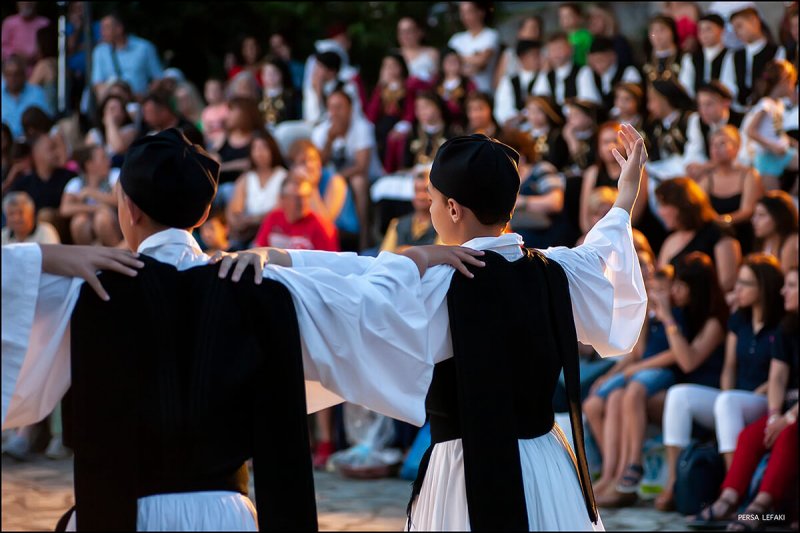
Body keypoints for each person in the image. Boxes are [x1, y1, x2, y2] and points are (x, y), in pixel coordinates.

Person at [2, 128, 488, 530]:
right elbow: (362, 299)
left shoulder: (82, 290)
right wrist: (411, 260)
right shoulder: (259, 286)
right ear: (205, 213)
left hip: (114, 514)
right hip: (225, 517)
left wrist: (40, 256)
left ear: (127, 209)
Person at [222, 124, 649, 530]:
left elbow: (356, 294)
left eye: (430, 198)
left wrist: (283, 262)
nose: (427, 208)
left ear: (452, 208)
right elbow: (603, 248)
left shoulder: (442, 283)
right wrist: (625, 194)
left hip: (467, 470)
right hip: (547, 462)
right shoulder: (556, 269)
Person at [591, 251, 729, 508]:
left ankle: (636, 469)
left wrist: (666, 318)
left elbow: (686, 361)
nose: (674, 290)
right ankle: (618, 475)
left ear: (694, 288)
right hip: (674, 392)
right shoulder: (686, 313)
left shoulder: (713, 322)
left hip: (702, 397)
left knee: (633, 393)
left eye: (679, 285)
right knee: (619, 395)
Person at [657, 254, 785, 511]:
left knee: (728, 402)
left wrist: (737, 397)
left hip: (765, 399)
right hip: (735, 397)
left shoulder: (781, 324)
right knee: (679, 395)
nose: (737, 289)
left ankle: (732, 489)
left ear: (763, 287)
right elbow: (728, 368)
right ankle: (675, 481)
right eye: (737, 281)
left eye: (745, 284)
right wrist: (726, 395)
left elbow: (781, 374)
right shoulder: (739, 319)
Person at [690, 265, 798, 531]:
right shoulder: (788, 328)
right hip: (788, 407)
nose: (784, 290)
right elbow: (778, 378)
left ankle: (760, 507)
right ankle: (729, 497)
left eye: (793, 285)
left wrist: (788, 417)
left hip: (795, 413)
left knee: (788, 434)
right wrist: (774, 414)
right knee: (750, 436)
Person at [311, 89, 383, 249]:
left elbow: (361, 166)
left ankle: (364, 236)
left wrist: (336, 177)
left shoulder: (362, 127)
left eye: (339, 107)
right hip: (332, 178)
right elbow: (316, 164)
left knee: (358, 181)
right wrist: (329, 141)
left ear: (350, 108)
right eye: (331, 107)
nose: (335, 113)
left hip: (367, 178)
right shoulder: (321, 131)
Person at [656, 177, 742, 292]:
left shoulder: (718, 232)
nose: (659, 212)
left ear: (682, 205)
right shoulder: (670, 240)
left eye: (664, 205)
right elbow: (661, 281)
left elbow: (727, 282)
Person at [696, 126, 763, 255]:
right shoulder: (706, 180)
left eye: (722, 143)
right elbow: (700, 209)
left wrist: (723, 220)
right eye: (713, 144)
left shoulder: (749, 175)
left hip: (743, 236)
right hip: (715, 239)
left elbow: (748, 211)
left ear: (737, 147)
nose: (716, 148)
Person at [739, 59, 798, 190]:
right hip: (767, 158)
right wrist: (771, 146)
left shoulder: (779, 104)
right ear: (783, 82)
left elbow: (777, 131)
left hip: (782, 153)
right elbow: (750, 131)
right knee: (773, 197)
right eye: (792, 83)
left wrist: (791, 143)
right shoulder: (765, 104)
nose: (793, 88)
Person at [580, 122, 648, 234]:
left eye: (615, 141)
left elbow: (634, 216)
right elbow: (585, 217)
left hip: (626, 232)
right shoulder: (592, 173)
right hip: (595, 233)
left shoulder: (638, 172)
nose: (610, 147)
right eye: (605, 142)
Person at [225, 131, 288, 249]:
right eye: (256, 148)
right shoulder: (246, 178)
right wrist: (241, 222)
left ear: (272, 150)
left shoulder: (284, 176)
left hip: (273, 232)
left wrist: (252, 219)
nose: (260, 153)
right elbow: (234, 211)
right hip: (247, 232)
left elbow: (281, 209)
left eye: (264, 147)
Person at [720, 7, 786, 113]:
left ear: (754, 21)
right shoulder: (733, 55)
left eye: (739, 26)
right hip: (738, 112)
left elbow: (780, 83)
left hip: (768, 111)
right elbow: (727, 85)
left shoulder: (777, 51)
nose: (737, 32)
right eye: (734, 28)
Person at [60, 144, 121, 247]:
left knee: (102, 219)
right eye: (103, 158)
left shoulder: (114, 175)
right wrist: (95, 208)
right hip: (89, 226)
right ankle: (89, 259)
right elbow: (64, 209)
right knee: (79, 222)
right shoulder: (76, 183)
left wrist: (92, 192)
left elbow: (118, 200)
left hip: (114, 222)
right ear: (90, 165)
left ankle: (118, 255)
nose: (109, 161)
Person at [91, 13, 163, 100]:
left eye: (106, 28)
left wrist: (145, 98)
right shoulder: (100, 51)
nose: (102, 32)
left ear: (119, 28)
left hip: (140, 103)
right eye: (101, 28)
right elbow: (97, 84)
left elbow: (158, 78)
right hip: (114, 103)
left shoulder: (144, 48)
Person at [684, 81, 745, 181]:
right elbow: (693, 151)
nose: (703, 110)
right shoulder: (696, 121)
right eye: (700, 105)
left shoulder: (742, 120)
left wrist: (709, 166)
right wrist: (692, 166)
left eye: (709, 104)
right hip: (707, 174)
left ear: (726, 103)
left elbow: (744, 156)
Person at [380, 169, 440, 252]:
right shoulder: (397, 224)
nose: (420, 196)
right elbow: (384, 255)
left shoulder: (441, 226)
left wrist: (405, 251)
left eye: (426, 191)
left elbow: (443, 255)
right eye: (417, 190)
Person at [576, 37, 641, 113]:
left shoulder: (629, 71)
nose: (597, 65)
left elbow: (629, 102)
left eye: (600, 60)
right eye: (593, 61)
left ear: (612, 56)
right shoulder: (588, 73)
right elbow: (588, 102)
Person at [447, 1, 500, 93]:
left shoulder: (491, 35)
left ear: (481, 12)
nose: (465, 16)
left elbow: (482, 60)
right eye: (462, 12)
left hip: (485, 92)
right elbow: (447, 64)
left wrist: (458, 58)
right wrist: (474, 57)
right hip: (460, 93)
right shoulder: (456, 39)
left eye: (469, 11)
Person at [679, 14, 733, 99]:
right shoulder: (690, 58)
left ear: (722, 30)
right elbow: (685, 87)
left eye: (708, 29)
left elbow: (730, 87)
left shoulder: (731, 55)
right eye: (700, 30)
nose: (704, 34)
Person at [494, 40, 543, 128]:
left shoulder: (544, 76)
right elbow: (502, 108)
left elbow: (542, 101)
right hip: (514, 129)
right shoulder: (508, 80)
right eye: (535, 55)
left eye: (539, 55)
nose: (539, 59)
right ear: (522, 58)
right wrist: (514, 119)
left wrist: (523, 116)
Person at [1, 54, 52, 139]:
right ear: (4, 76)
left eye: (16, 74)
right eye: (9, 75)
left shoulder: (37, 93)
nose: (12, 78)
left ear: (24, 75)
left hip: (31, 142)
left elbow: (46, 121)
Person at [751, 190, 799, 271]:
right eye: (755, 214)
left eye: (761, 215)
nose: (754, 220)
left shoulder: (792, 242)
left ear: (778, 217)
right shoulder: (763, 241)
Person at [85, 94, 137, 167]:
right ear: (103, 112)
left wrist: (110, 122)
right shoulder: (94, 133)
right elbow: (90, 158)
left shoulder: (130, 130)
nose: (116, 113)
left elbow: (118, 148)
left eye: (120, 109)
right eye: (112, 109)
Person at [492, 15, 542, 90]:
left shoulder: (544, 52)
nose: (535, 32)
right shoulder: (509, 54)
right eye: (531, 28)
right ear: (520, 31)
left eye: (538, 28)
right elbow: (497, 82)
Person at [533, 32, 581, 107]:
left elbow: (587, 102)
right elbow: (538, 99)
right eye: (552, 49)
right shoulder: (547, 75)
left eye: (559, 48)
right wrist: (544, 71)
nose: (556, 53)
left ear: (570, 49)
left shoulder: (582, 71)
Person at [435, 47, 476, 133]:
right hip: (441, 126)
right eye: (448, 61)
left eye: (455, 61)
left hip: (463, 124)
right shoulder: (436, 83)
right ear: (442, 64)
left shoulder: (468, 83)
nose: (452, 64)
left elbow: (472, 103)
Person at [1, 2, 50, 66]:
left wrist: (39, 54)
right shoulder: (9, 22)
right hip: (14, 66)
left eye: (29, 2)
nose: (26, 4)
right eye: (23, 2)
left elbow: (50, 47)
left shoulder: (45, 23)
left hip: (38, 65)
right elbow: (3, 46)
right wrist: (15, 55)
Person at [586, 4, 634, 70]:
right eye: (590, 19)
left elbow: (625, 67)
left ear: (608, 19)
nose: (593, 22)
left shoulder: (619, 42)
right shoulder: (590, 42)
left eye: (597, 18)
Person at [397, 17, 440, 85]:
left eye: (409, 31)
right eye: (401, 31)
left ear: (420, 32)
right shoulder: (394, 55)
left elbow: (439, 79)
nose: (405, 35)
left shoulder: (432, 53)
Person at [259, 56, 300, 128]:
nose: (270, 76)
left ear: (281, 74)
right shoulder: (257, 96)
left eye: (274, 72)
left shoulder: (291, 96)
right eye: (267, 73)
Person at [643, 15, 682, 85]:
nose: (657, 35)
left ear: (672, 31)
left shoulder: (683, 57)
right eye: (653, 31)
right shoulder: (645, 58)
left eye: (662, 30)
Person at [558, 2, 594, 67]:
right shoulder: (561, 38)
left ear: (579, 17)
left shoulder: (586, 35)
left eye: (569, 16)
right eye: (562, 16)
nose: (565, 19)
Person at [200, 78, 229, 149]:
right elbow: (205, 131)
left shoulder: (228, 108)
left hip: (226, 140)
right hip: (211, 142)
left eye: (216, 90)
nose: (213, 93)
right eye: (209, 90)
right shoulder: (206, 112)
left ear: (222, 91)